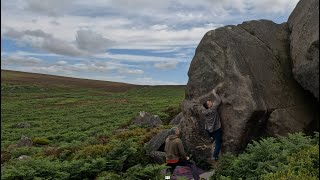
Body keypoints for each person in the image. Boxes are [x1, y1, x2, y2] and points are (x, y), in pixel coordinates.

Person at [202, 89, 222, 161]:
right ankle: (215, 156)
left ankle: (211, 138)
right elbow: (219, 100)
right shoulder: (213, 109)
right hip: (216, 128)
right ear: (209, 106)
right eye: (209, 102)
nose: (211, 101)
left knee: (211, 135)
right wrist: (214, 93)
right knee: (218, 143)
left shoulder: (205, 111)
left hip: (209, 129)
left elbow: (203, 108)